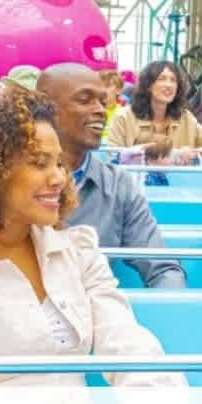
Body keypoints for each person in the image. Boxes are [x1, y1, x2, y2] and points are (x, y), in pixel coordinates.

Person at [0, 89, 187, 398]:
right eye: (39, 163)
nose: (59, 178)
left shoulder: (76, 250)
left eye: (59, 163)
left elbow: (124, 339)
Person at [36, 63, 186, 289]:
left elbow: (161, 266)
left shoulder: (118, 185)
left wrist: (173, 305)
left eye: (102, 102)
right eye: (85, 100)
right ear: (45, 107)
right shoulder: (8, 181)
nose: (99, 110)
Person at [107, 61, 202, 163]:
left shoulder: (185, 117)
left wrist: (196, 153)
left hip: (177, 187)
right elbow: (112, 157)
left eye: (173, 80)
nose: (168, 85)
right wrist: (144, 156)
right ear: (148, 85)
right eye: (162, 79)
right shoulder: (123, 117)